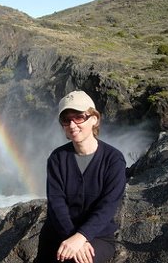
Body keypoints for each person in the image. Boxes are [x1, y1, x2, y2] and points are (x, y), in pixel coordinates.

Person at [35, 90, 126, 263]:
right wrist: (72, 237)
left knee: (77, 261)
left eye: (78, 117)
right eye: (66, 120)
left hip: (97, 236)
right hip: (59, 233)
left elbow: (108, 206)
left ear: (94, 119)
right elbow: (56, 203)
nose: (72, 124)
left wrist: (81, 237)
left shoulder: (113, 160)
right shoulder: (57, 158)